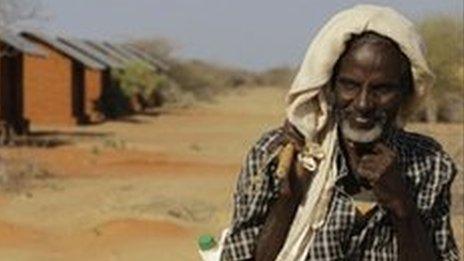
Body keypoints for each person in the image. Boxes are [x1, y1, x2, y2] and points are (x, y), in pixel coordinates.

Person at [220, 5, 459, 261]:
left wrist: (401, 206)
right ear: (329, 87)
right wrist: (289, 199)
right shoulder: (278, 154)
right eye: (350, 85)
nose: (364, 104)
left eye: (383, 89)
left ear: (404, 93)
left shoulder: (428, 163)